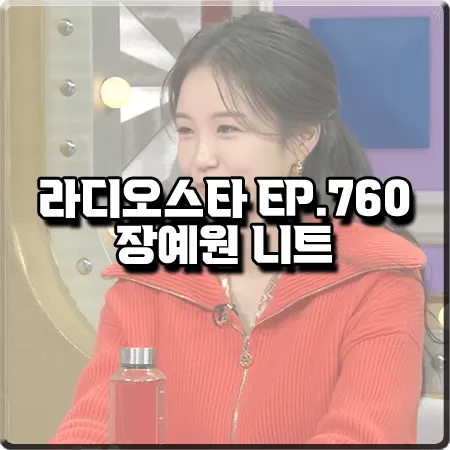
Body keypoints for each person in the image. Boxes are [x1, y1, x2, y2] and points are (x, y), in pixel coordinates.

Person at [51, 11, 427, 444]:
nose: (199, 158)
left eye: (227, 128)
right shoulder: (147, 280)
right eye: (186, 131)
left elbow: (362, 435)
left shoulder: (378, 279)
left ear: (303, 138)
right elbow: (93, 424)